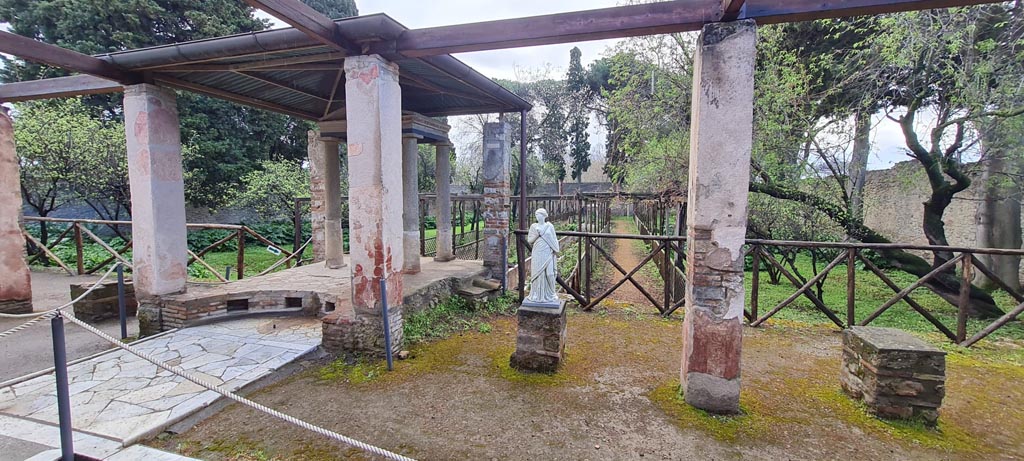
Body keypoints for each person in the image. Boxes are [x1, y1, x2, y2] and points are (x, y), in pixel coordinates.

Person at [526, 208, 560, 305]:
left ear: (544, 215)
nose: (537, 216)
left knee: (550, 273)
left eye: (539, 214)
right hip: (537, 252)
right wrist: (537, 235)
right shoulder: (533, 226)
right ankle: (537, 294)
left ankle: (552, 293)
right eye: (536, 215)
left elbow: (554, 239)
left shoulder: (550, 226)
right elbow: (530, 240)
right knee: (538, 274)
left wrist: (555, 249)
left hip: (548, 253)